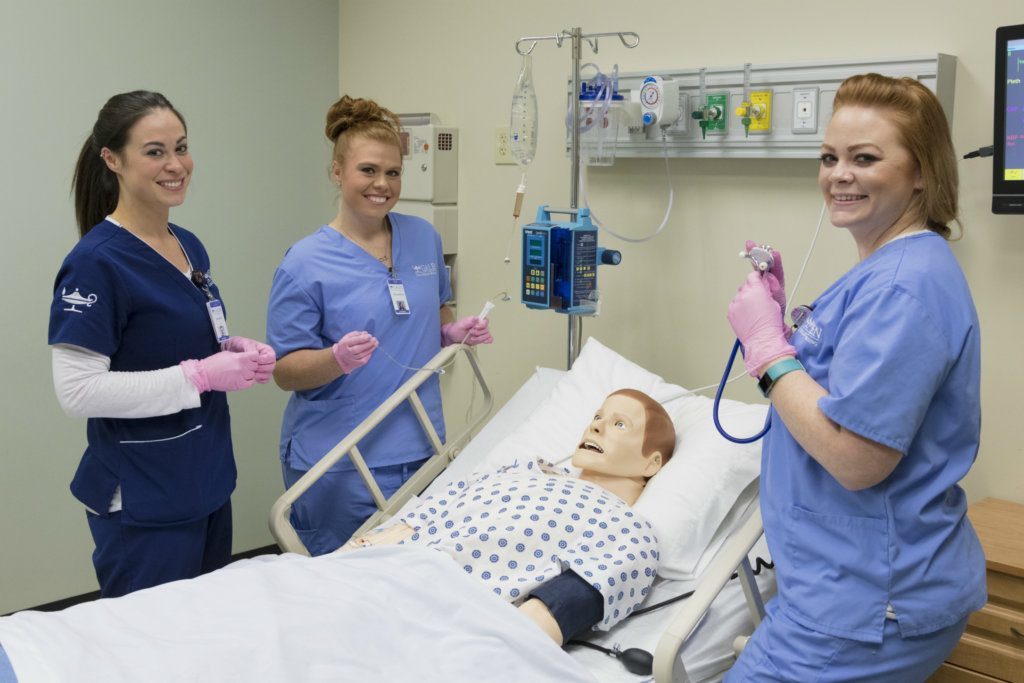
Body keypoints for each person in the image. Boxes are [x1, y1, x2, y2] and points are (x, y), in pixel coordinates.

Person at [724, 74, 985, 682]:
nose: (839, 175)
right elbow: (839, 392)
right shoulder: (887, 268)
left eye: (865, 159)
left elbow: (857, 459)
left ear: (921, 172)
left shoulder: (902, 286)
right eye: (829, 158)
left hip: (868, 601)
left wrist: (766, 351)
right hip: (841, 585)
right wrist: (784, 337)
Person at [49, 91, 276, 598]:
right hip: (144, 495)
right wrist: (199, 375)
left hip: (204, 480)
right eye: (155, 151)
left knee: (206, 629)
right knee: (150, 639)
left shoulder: (186, 244)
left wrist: (231, 351)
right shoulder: (95, 263)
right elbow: (77, 392)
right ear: (112, 159)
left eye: (182, 147)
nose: (176, 165)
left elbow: (174, 337)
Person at [266, 95, 493, 556]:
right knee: (342, 582)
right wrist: (334, 359)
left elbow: (436, 311)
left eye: (393, 172)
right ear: (337, 172)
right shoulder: (305, 262)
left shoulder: (423, 237)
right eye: (367, 170)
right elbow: (285, 371)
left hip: (422, 447)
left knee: (411, 576)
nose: (382, 184)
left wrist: (451, 334)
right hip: (340, 460)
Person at [344, 388, 676, 644]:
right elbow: (419, 518)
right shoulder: (522, 469)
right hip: (369, 577)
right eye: (598, 416)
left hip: (437, 618)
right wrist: (345, 559)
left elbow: (553, 611)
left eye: (619, 424)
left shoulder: (630, 531)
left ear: (652, 463)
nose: (597, 426)